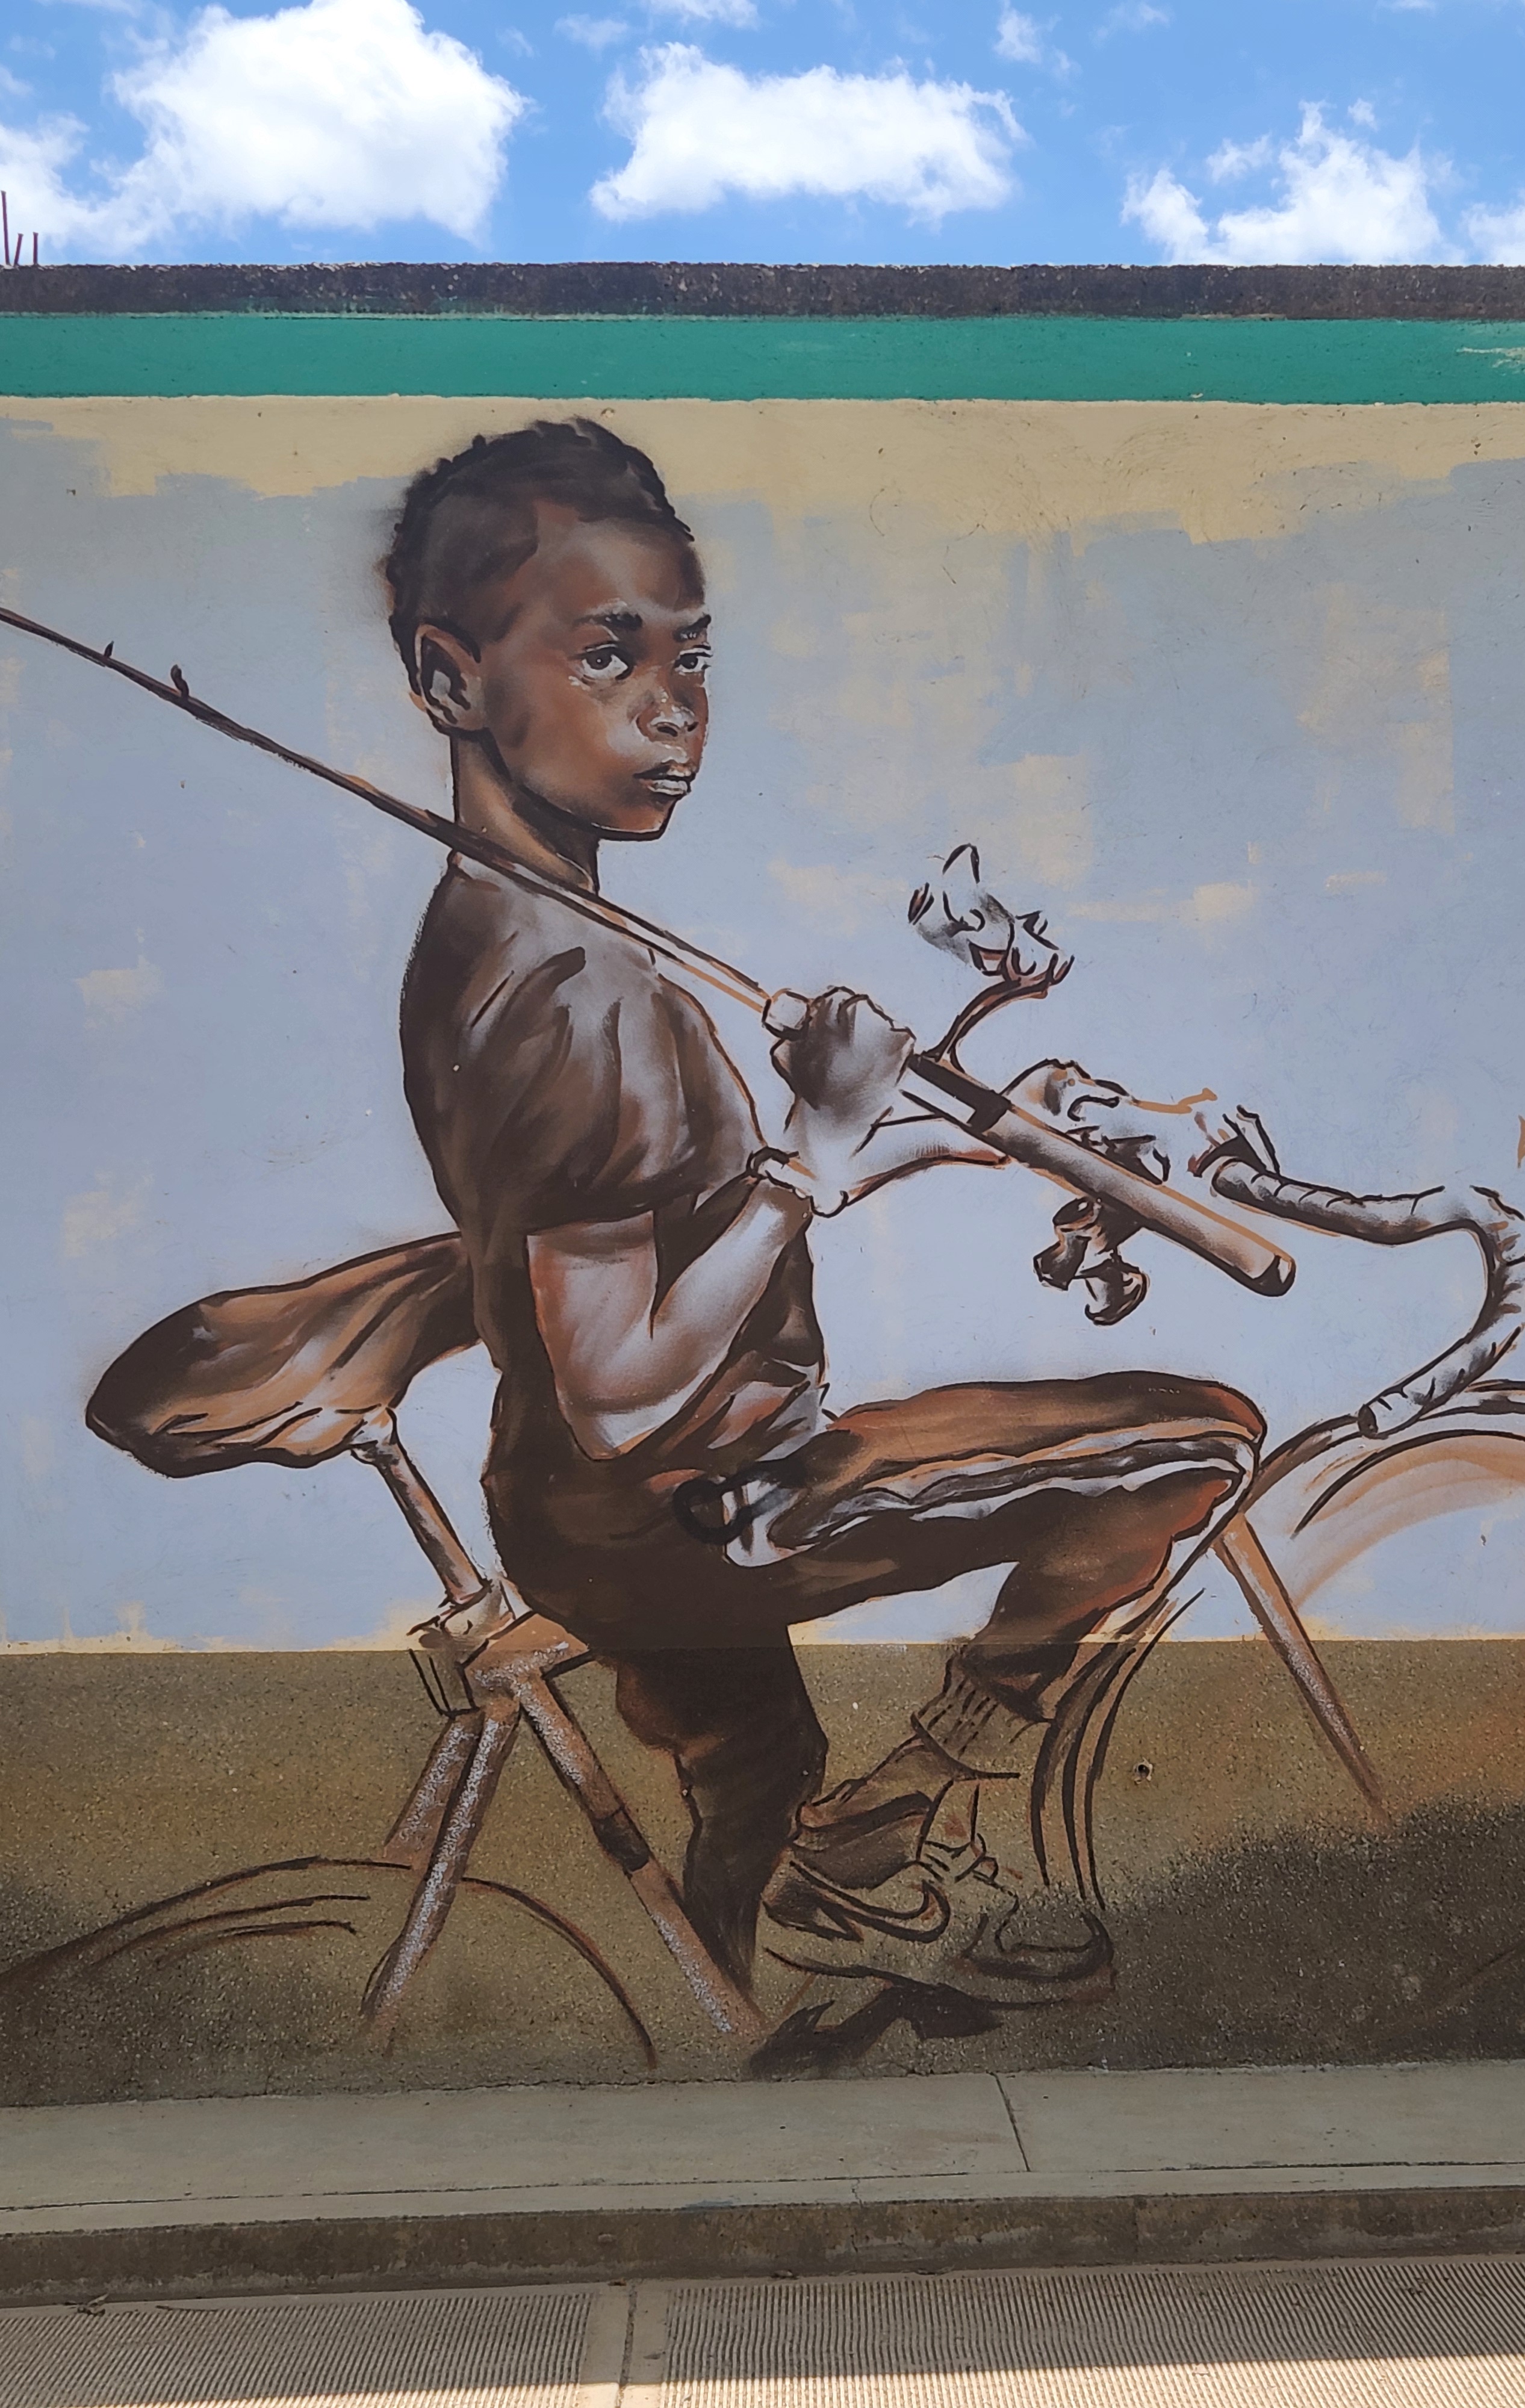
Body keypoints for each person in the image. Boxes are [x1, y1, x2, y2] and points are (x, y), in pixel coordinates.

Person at [387, 418, 1263, 2028]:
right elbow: (623, 1388)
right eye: (607, 655)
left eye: (692, 656)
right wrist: (816, 1144)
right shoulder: (578, 994)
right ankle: (886, 1832)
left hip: (573, 1509)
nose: (672, 706)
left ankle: (745, 2053)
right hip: (697, 1503)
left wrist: (921, 1142)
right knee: (1192, 1441)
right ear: (452, 679)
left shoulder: (492, 934)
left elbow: (648, 1232)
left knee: (755, 1790)